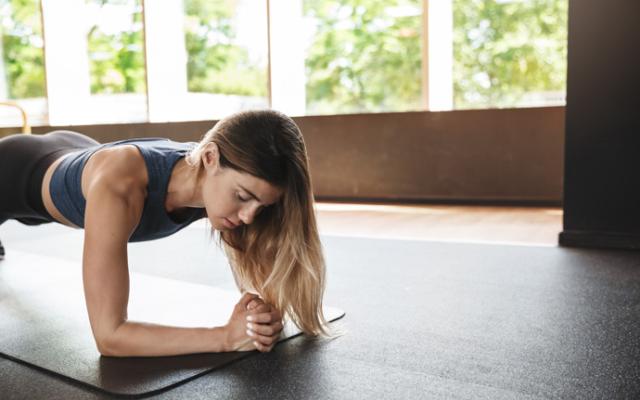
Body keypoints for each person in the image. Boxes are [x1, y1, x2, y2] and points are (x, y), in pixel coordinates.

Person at [0, 109, 329, 356]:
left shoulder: (219, 178)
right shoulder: (121, 186)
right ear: (210, 157)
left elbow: (263, 289)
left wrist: (257, 315)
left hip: (72, 151)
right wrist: (224, 337)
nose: (247, 217)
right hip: (11, 172)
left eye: (262, 206)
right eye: (242, 197)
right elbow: (109, 336)